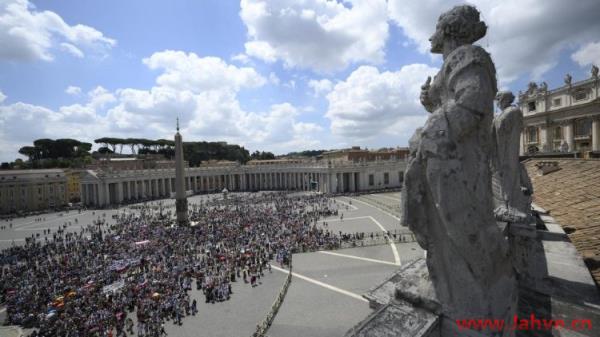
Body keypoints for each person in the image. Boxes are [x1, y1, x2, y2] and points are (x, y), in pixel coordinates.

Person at [401, 4, 516, 324]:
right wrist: (430, 101)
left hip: (455, 162)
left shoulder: (470, 57)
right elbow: (454, 103)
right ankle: (454, 285)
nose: (430, 35)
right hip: (447, 157)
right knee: (445, 230)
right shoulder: (455, 63)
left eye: (436, 28)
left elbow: (473, 103)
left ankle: (473, 292)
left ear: (449, 30)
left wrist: (431, 131)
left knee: (460, 226)